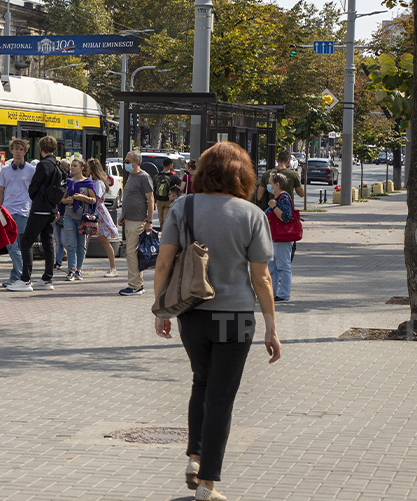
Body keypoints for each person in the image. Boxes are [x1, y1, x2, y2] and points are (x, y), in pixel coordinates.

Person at [152, 141, 280, 501]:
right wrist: (271, 327)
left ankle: (195, 456)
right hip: (236, 317)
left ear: (203, 170)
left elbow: (163, 264)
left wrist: (162, 310)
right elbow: (262, 278)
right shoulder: (252, 214)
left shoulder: (183, 206)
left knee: (201, 383)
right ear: (243, 175)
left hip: (192, 313)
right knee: (221, 397)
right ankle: (207, 484)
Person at [13, 136, 64, 291]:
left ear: (40, 149)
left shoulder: (43, 165)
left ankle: (25, 279)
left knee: (26, 242)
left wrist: (34, 196)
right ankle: (47, 278)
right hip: (52, 208)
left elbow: (34, 187)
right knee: (48, 243)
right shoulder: (58, 165)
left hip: (40, 208)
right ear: (55, 149)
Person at [0, 138, 35, 289]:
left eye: (21, 149)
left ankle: (18, 275)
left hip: (23, 211)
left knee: (15, 245)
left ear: (25, 152)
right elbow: (1, 191)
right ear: (11, 151)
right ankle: (17, 275)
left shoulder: (31, 170)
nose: (18, 151)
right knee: (11, 244)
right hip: (7, 210)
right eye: (16, 149)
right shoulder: (5, 170)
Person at [119, 150, 155, 297]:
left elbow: (151, 199)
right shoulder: (131, 176)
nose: (126, 164)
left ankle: (134, 286)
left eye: (128, 161)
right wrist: (123, 215)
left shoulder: (143, 177)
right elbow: (130, 198)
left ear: (136, 162)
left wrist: (149, 221)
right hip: (129, 220)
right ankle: (137, 284)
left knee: (131, 253)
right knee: (132, 253)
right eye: (125, 161)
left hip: (138, 221)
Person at [264, 172, 295, 303]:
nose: (268, 185)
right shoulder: (277, 198)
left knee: (283, 265)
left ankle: (284, 294)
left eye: (270, 183)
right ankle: (272, 292)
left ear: (277, 185)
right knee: (273, 267)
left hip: (282, 237)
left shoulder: (283, 198)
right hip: (274, 237)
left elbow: (286, 217)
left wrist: (274, 206)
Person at [88, 158, 121, 277]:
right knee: (97, 240)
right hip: (96, 212)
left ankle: (113, 267)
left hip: (97, 213)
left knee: (99, 240)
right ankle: (78, 267)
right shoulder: (97, 181)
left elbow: (96, 198)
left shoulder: (98, 183)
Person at [154, 158, 186, 228]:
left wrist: (153, 201)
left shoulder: (157, 176)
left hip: (159, 200)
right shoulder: (173, 177)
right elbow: (181, 187)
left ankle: (162, 232)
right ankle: (165, 234)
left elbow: (154, 188)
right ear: (170, 165)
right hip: (169, 200)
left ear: (163, 165)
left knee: (161, 220)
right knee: (167, 219)